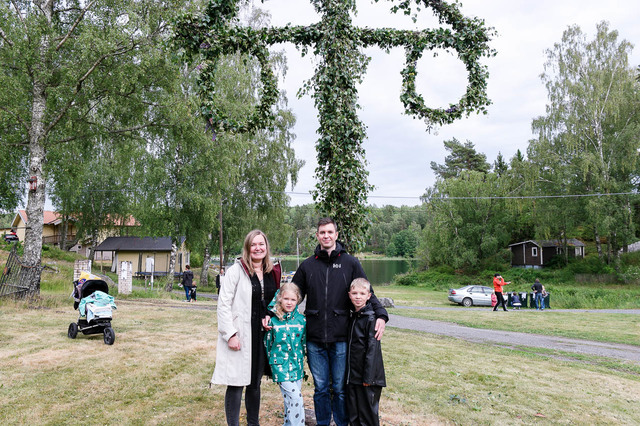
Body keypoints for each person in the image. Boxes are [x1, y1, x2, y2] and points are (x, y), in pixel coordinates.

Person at [273, 217, 388, 426]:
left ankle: (342, 423)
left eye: (330, 232)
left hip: (341, 338)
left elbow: (368, 292)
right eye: (322, 232)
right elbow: (289, 293)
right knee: (321, 388)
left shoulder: (350, 263)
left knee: (340, 388)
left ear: (336, 235)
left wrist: (381, 315)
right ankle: (323, 422)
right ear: (317, 236)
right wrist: (271, 313)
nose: (326, 236)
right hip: (315, 339)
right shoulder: (308, 265)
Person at [211, 230, 281, 426]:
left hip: (259, 336)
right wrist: (230, 334)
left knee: (254, 383)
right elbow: (223, 304)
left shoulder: (270, 273)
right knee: (235, 382)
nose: (258, 248)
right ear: (247, 248)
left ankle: (253, 423)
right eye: (253, 244)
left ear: (266, 248)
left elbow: (271, 302)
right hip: (240, 333)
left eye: (261, 244)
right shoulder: (236, 271)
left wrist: (269, 316)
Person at [264, 283, 306, 425]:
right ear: (280, 299)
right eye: (286, 299)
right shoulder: (273, 321)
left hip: (297, 366)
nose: (289, 302)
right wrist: (272, 364)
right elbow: (268, 344)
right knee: (296, 398)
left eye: (293, 300)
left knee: (290, 401)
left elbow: (304, 343)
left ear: (298, 301)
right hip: (280, 366)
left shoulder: (302, 321)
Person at [346, 278, 386, 426]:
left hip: (368, 377)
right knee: (354, 414)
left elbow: (372, 350)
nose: (358, 297)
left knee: (367, 415)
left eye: (362, 293)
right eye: (355, 293)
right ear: (349, 295)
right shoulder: (353, 317)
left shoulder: (371, 319)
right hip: (353, 376)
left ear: (369, 296)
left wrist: (368, 378)